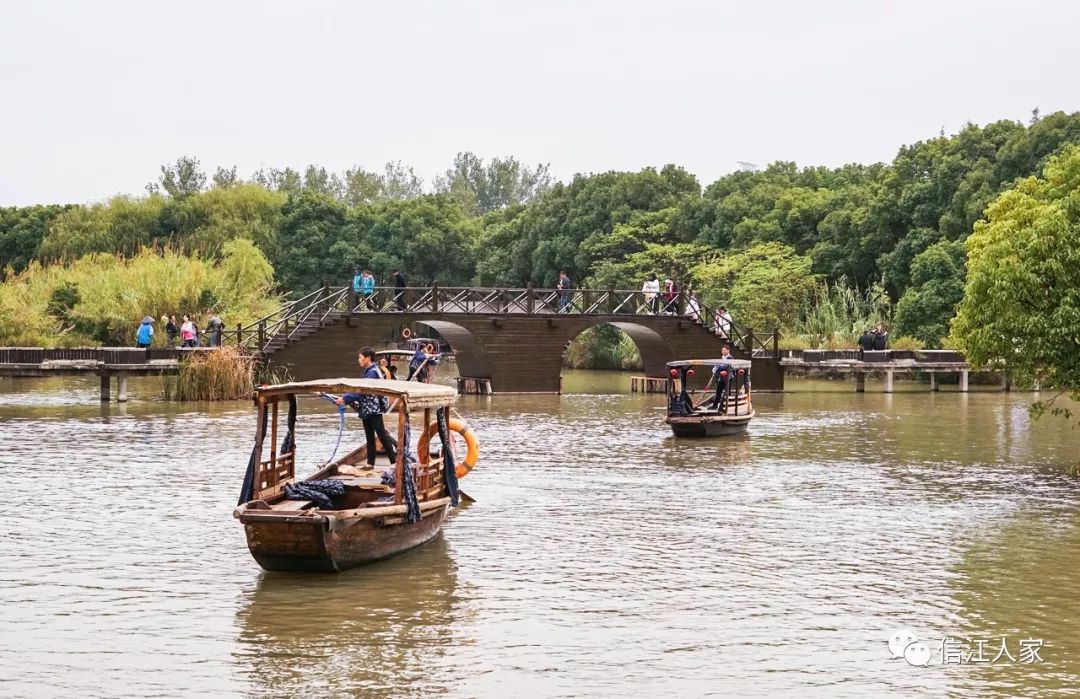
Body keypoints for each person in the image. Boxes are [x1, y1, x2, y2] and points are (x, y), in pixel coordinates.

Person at [336, 347, 397, 468]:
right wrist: (346, 398)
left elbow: (361, 391)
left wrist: (345, 399)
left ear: (368, 358)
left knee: (382, 435)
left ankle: (394, 462)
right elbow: (359, 389)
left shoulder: (372, 372)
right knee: (369, 437)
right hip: (367, 409)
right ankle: (370, 464)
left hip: (374, 409)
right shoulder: (369, 371)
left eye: (360, 357)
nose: (359, 360)